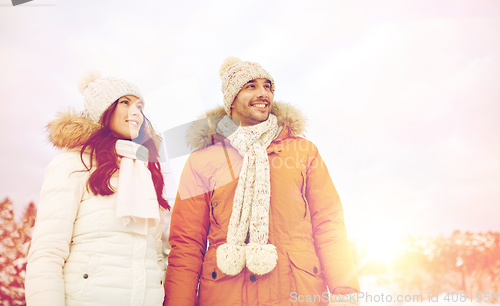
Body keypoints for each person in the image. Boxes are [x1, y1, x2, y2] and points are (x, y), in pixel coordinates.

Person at [164, 57, 360, 306]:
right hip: (226, 295)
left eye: (268, 86)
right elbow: (187, 242)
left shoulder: (303, 152)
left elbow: (329, 225)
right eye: (251, 86)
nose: (263, 93)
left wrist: (345, 290)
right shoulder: (203, 159)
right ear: (231, 99)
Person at [25, 70, 170, 306]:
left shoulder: (143, 171)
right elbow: (47, 253)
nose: (136, 112)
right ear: (103, 110)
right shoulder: (73, 164)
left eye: (140, 106)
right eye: (125, 102)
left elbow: (154, 256)